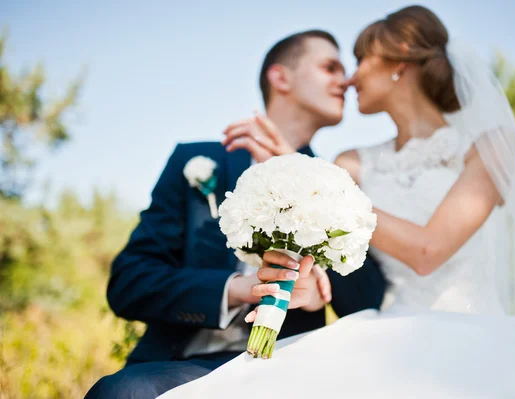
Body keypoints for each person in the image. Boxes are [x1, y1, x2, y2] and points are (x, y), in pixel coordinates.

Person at [158, 6, 515, 398]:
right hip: (380, 332)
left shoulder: (491, 145)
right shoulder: (351, 163)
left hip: (475, 330)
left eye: (361, 59)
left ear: (401, 59)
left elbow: (428, 251)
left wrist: (322, 188)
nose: (351, 78)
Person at [84, 29, 386, 399]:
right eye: (330, 67)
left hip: (287, 369)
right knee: (125, 393)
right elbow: (129, 283)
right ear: (281, 77)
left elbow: (368, 299)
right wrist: (238, 289)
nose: (347, 79)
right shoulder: (195, 162)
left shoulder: (334, 187)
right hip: (179, 365)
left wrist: (315, 285)